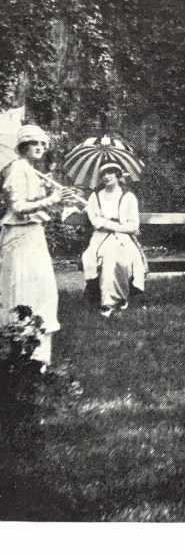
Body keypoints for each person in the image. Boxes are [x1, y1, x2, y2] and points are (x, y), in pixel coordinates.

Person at [0, 125, 79, 373]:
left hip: (34, 235)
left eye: (43, 144)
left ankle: (39, 358)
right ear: (23, 145)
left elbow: (39, 208)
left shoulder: (32, 172)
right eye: (34, 142)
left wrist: (60, 200)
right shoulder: (17, 169)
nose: (40, 147)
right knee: (23, 290)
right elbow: (18, 207)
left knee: (43, 291)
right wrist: (52, 199)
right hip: (19, 237)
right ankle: (21, 355)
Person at [82, 161, 147, 317]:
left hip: (124, 237)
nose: (106, 176)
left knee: (124, 260)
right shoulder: (95, 196)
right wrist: (105, 223)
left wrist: (109, 224)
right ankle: (107, 302)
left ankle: (121, 298)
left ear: (118, 175)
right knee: (109, 256)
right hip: (101, 238)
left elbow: (133, 226)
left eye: (110, 172)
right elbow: (96, 222)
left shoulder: (128, 196)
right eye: (103, 174)